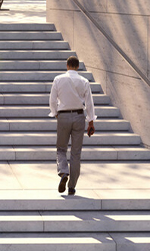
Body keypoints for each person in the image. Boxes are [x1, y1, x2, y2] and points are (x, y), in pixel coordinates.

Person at [48, 55, 96, 195]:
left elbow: (52, 100)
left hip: (63, 115)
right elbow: (89, 103)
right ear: (77, 67)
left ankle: (63, 172)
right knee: (76, 153)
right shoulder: (84, 81)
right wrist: (91, 121)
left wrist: (55, 113)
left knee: (61, 148)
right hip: (79, 117)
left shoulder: (58, 79)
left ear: (67, 65)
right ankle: (72, 186)